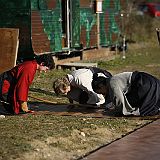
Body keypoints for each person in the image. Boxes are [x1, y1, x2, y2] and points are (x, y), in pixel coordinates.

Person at [92, 71, 160, 116]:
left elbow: (118, 99)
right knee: (153, 102)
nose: (102, 94)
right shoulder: (111, 80)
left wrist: (120, 112)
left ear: (101, 86)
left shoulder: (111, 83)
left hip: (143, 83)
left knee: (143, 109)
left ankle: (154, 110)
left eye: (100, 92)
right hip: (150, 80)